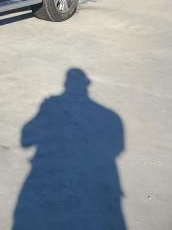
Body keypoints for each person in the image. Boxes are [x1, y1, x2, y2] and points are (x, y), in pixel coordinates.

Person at [13, 68, 126, 230]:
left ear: (66, 84)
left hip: (49, 178)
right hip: (95, 185)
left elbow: (26, 139)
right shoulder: (110, 116)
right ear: (86, 85)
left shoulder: (51, 106)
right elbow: (117, 149)